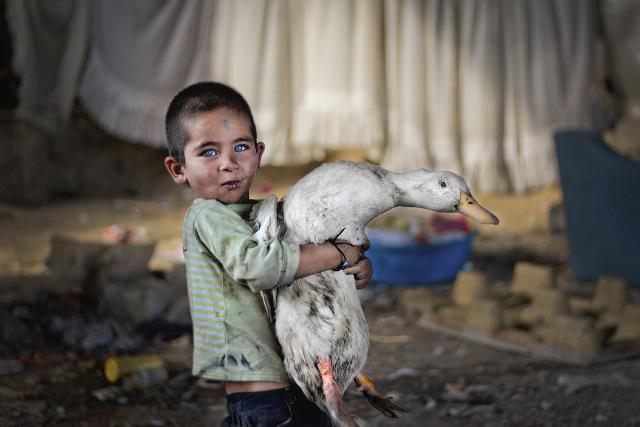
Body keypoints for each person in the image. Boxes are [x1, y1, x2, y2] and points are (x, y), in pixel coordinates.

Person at [163, 81, 372, 426]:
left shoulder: (269, 216)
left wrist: (353, 268)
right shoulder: (208, 216)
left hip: (298, 386)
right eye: (209, 152)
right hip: (267, 399)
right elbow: (258, 267)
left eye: (240, 147)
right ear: (178, 169)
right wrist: (337, 254)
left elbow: (308, 271)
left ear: (259, 154)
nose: (228, 164)